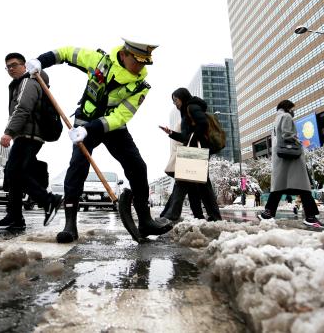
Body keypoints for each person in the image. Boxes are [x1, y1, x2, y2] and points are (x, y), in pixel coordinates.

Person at [26, 39, 172, 243]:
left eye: (144, 63)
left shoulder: (140, 85)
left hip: (113, 127)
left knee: (138, 167)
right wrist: (41, 61)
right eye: (137, 61)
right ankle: (70, 224)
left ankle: (145, 220)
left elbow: (121, 115)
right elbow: (68, 52)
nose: (140, 67)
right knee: (77, 167)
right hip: (84, 121)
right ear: (124, 54)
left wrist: (90, 129)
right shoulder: (99, 61)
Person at [0, 53, 64, 230]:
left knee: (13, 172)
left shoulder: (27, 81)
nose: (11, 69)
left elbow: (23, 108)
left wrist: (9, 132)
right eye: (7, 66)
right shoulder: (26, 82)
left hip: (28, 135)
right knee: (14, 176)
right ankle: (14, 217)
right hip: (26, 135)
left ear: (24, 65)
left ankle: (48, 200)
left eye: (14, 65)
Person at [258, 99, 324, 228]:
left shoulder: (277, 119)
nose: (293, 111)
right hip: (291, 157)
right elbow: (288, 134)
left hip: (281, 158)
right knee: (304, 187)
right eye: (293, 108)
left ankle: (268, 213)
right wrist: (299, 144)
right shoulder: (286, 116)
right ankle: (311, 217)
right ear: (288, 107)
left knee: (279, 187)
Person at [159, 88, 223, 222]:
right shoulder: (186, 112)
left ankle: (170, 216)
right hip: (195, 150)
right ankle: (215, 216)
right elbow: (185, 137)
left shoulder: (191, 106)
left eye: (175, 100)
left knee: (181, 183)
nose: (175, 103)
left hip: (195, 151)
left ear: (182, 97)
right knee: (203, 186)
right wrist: (170, 133)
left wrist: (193, 139)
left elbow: (203, 124)